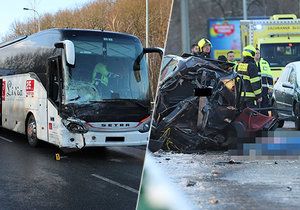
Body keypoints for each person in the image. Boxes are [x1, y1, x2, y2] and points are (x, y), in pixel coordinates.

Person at [254, 48, 273, 115]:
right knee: (255, 105)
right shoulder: (251, 63)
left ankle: (265, 119)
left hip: (264, 88)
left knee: (264, 104)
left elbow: (269, 76)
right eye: (256, 53)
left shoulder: (265, 63)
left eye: (258, 53)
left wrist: (270, 87)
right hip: (254, 88)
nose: (257, 55)